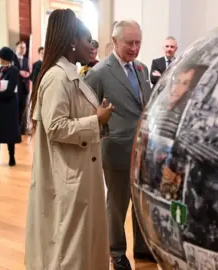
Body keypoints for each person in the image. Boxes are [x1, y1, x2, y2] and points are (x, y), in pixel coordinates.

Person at [24, 9, 113, 270]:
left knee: (82, 242)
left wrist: (98, 117)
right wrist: (96, 120)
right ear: (72, 41)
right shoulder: (57, 77)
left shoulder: (72, 76)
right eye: (88, 40)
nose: (92, 46)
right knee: (69, 247)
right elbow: (56, 127)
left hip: (79, 174)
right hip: (68, 178)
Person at [84, 20, 154, 269]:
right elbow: (89, 111)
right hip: (116, 150)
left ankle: (143, 247)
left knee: (140, 201)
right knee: (117, 203)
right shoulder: (99, 72)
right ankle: (116, 251)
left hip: (142, 150)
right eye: (129, 43)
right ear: (115, 41)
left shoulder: (142, 69)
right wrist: (103, 135)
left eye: (138, 43)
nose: (135, 48)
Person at [14, 40, 31, 135]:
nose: (23, 49)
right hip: (15, 87)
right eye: (21, 47)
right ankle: (16, 129)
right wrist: (19, 72)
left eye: (24, 48)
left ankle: (23, 129)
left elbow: (28, 71)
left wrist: (28, 74)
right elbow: (11, 70)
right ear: (16, 48)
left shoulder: (26, 59)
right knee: (15, 109)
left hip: (24, 87)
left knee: (24, 108)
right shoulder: (12, 59)